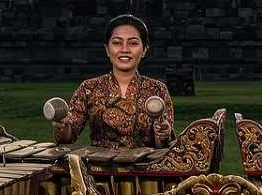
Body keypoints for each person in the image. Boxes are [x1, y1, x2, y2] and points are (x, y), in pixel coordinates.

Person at [54, 14, 175, 148]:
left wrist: (163, 133)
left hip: (144, 167)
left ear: (145, 50)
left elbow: (163, 146)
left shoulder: (158, 89)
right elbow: (67, 139)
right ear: (107, 49)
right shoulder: (89, 88)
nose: (124, 50)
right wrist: (62, 127)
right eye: (117, 43)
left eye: (133, 43)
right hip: (98, 166)